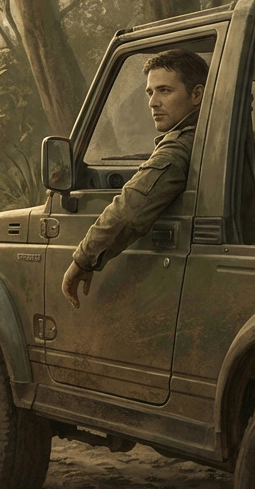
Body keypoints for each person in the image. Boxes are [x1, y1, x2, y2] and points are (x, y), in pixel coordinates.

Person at [61, 49, 208, 309]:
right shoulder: (249, 140)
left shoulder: (180, 148)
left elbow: (130, 210)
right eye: (150, 92)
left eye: (164, 90)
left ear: (197, 95)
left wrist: (82, 260)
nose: (153, 102)